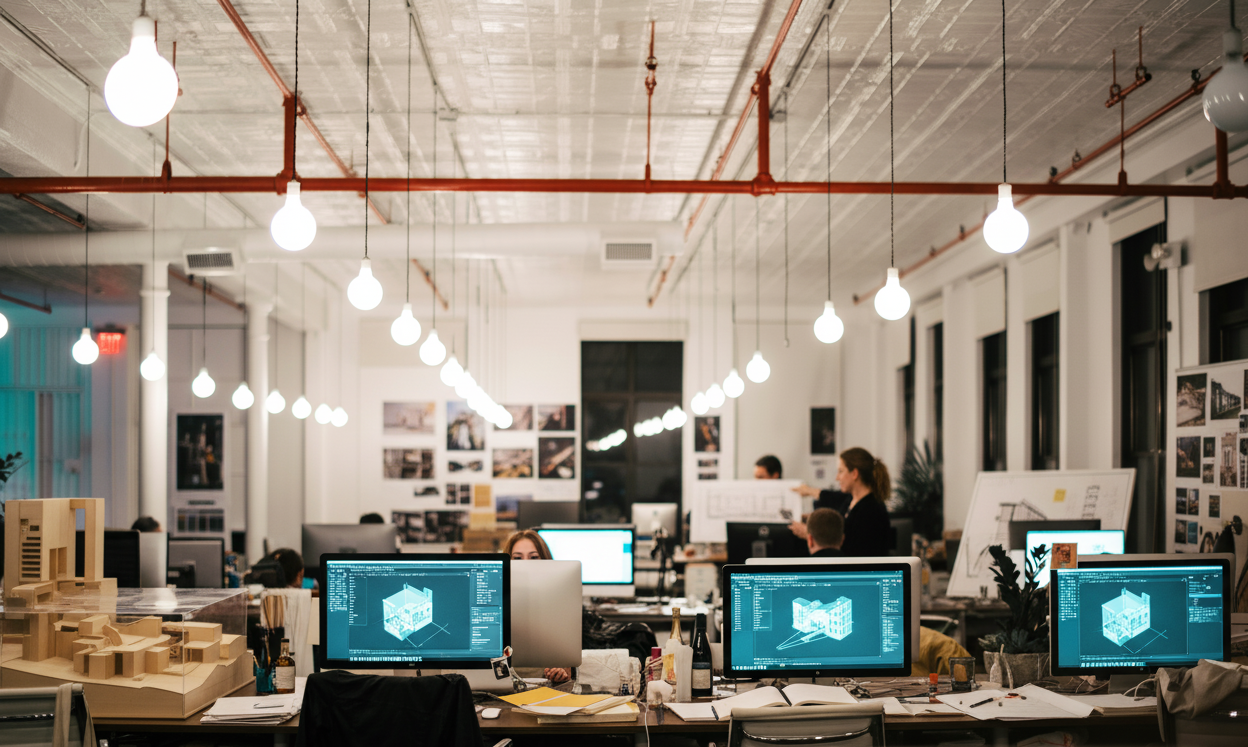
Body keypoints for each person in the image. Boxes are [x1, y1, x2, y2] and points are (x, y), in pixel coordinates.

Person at [790, 447, 892, 558]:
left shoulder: (872, 511)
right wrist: (810, 517)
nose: (837, 477)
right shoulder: (851, 500)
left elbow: (853, 550)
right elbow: (831, 498)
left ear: (854, 474)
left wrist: (812, 536)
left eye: (840, 471)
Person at [502, 530, 571, 683]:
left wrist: (561, 671)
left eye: (533, 557)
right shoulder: (495, 596)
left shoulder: (559, 599)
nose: (526, 563)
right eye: (517, 558)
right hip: (503, 680)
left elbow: (567, 663)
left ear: (545, 560)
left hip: (545, 684)